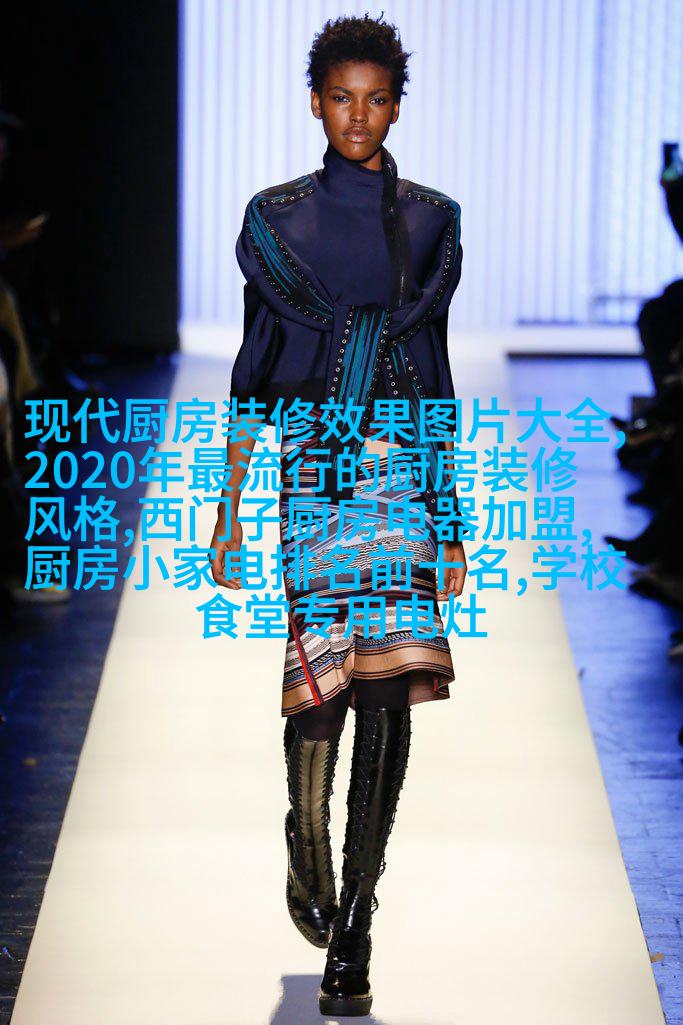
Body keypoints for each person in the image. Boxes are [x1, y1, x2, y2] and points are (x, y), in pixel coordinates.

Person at [208, 13, 467, 1018]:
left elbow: (432, 370)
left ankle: (356, 916)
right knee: (317, 687)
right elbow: (254, 367)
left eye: (376, 98)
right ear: (315, 102)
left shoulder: (433, 221)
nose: (358, 115)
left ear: (396, 106)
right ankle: (307, 840)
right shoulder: (275, 223)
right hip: (312, 467)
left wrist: (449, 514)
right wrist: (229, 506)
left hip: (398, 468)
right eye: (341, 97)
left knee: (384, 692)